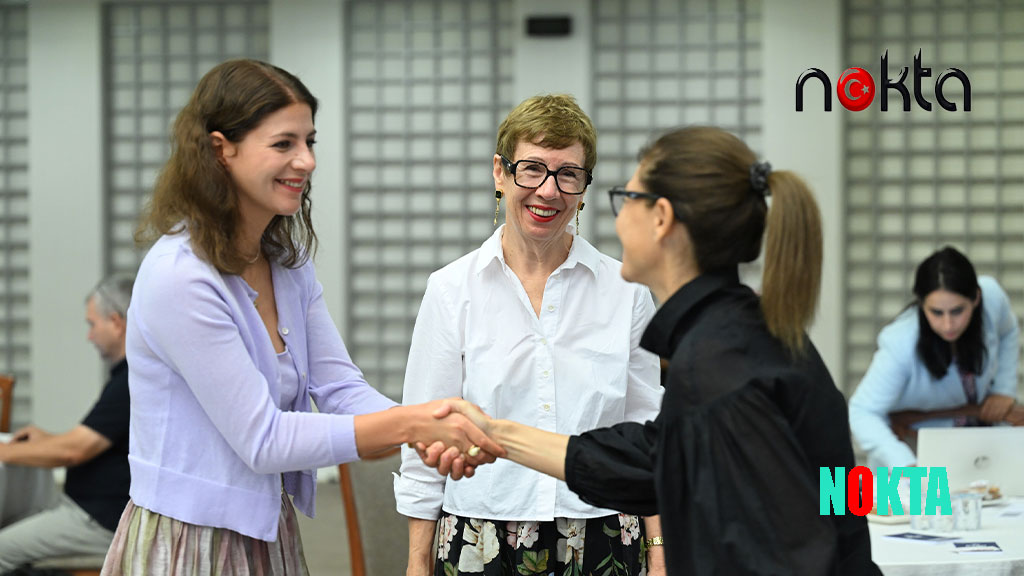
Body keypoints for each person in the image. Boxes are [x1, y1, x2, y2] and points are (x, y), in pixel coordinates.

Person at [418, 126, 882, 575]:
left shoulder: (720, 363)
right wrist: (495, 433)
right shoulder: (733, 336)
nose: (618, 218)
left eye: (628, 199)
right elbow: (652, 459)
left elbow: (763, 524)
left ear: (661, 218)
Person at [99, 59, 501, 576]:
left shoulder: (287, 264)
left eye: (309, 141)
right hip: (188, 544)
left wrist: (426, 431)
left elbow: (339, 387)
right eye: (284, 143)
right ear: (222, 150)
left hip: (268, 531)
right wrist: (414, 422)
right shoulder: (180, 276)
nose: (306, 161)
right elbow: (264, 441)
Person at [394, 94, 665, 576]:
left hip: (604, 533)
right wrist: (417, 564)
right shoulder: (451, 288)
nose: (549, 191)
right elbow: (424, 440)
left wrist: (661, 553)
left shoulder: (627, 292)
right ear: (500, 173)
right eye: (532, 169)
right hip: (481, 535)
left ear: (584, 188)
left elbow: (650, 437)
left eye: (568, 175)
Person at [0, 274, 134, 571]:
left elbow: (74, 451)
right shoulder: (129, 375)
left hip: (99, 521)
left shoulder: (131, 380)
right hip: (89, 510)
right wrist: (45, 439)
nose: (89, 336)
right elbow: (91, 440)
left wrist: (4, 452)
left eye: (92, 324)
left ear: (116, 322)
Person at [849, 246, 1019, 469]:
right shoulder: (901, 342)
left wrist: (1003, 389)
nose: (948, 324)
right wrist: (905, 464)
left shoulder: (992, 298)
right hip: (908, 451)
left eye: (958, 311)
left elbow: (1008, 331)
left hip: (972, 444)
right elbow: (862, 411)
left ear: (976, 298)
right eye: (936, 312)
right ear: (921, 304)